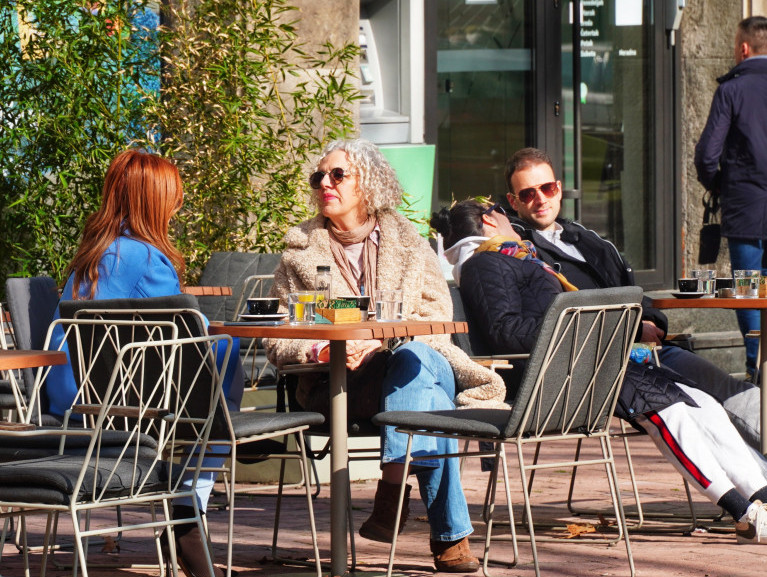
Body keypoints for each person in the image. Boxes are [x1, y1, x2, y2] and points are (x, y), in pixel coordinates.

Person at [435, 199, 767, 545]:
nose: (511, 218)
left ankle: (762, 495)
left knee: (703, 404)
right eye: (503, 212)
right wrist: (587, 330)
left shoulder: (514, 256)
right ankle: (742, 512)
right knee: (671, 414)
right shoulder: (485, 264)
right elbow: (504, 331)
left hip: (583, 362)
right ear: (490, 221)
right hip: (554, 376)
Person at [265, 139, 507, 573]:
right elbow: (278, 334)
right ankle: (446, 535)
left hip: (409, 361)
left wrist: (380, 340)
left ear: (368, 183)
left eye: (338, 174)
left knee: (412, 359)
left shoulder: (408, 242)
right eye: (319, 176)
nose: (325, 183)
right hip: (338, 382)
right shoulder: (298, 249)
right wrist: (321, 347)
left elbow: (436, 314)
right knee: (428, 396)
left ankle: (392, 491)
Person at [45, 149, 243, 577]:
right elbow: (188, 332)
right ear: (152, 201)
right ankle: (189, 509)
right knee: (224, 356)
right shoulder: (148, 259)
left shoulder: (91, 257)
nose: (179, 204)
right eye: (174, 196)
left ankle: (190, 503)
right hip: (120, 406)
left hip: (68, 397)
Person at [501, 147, 762, 450]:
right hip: (601, 366)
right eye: (528, 193)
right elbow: (560, 319)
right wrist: (635, 329)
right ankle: (753, 489)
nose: (541, 199)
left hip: (645, 351)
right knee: (706, 409)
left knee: (741, 393)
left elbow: (635, 293)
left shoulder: (587, 240)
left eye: (546, 188)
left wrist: (651, 320)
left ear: (558, 188)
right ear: (513, 201)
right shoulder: (519, 253)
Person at [694, 16, 767, 378]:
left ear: (743, 48)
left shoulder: (732, 90)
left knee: (751, 289)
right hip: (747, 207)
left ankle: (757, 370)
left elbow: (707, 154)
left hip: (746, 210)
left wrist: (720, 185)